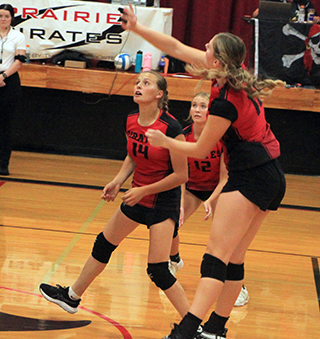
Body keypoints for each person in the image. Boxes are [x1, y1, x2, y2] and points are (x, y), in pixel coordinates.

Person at [120, 6, 286, 339]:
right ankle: (215, 330)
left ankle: (186, 330)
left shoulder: (225, 102)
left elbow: (198, 149)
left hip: (252, 176)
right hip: (271, 174)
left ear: (216, 61)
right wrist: (138, 28)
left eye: (208, 47)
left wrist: (165, 140)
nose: (203, 49)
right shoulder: (233, 71)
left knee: (216, 257)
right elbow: (177, 48)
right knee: (234, 258)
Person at [39, 70, 191, 319]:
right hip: (136, 195)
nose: (139, 86)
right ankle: (72, 297)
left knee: (158, 271)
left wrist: (143, 190)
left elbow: (181, 175)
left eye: (147, 83)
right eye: (138, 82)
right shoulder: (130, 119)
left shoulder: (171, 128)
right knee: (103, 244)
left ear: (159, 94)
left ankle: (193, 325)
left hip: (162, 201)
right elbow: (133, 154)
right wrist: (118, 180)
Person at [168, 92, 249, 308]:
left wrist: (211, 200)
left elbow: (225, 178)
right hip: (193, 189)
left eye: (202, 106)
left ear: (210, 112)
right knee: (170, 219)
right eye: (193, 105)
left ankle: (239, 286)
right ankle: (174, 260)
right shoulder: (183, 135)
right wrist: (180, 203)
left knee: (226, 238)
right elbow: (181, 175)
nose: (196, 109)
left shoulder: (221, 139)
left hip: (218, 191)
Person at [0, 3, 26, 176]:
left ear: (12, 18)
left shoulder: (18, 36)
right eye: (0, 16)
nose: (3, 19)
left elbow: (20, 60)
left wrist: (3, 76)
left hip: (8, 81)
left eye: (6, 16)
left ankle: (3, 164)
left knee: (5, 124)